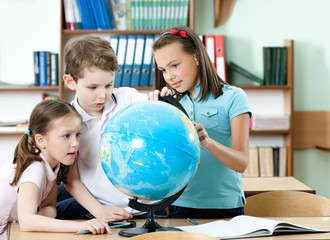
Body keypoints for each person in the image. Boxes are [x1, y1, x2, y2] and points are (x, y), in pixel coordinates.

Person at [149, 25, 252, 218]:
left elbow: (242, 163)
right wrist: (154, 113)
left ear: (196, 56)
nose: (169, 76)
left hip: (225, 206)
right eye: (163, 69)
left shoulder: (233, 97)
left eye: (175, 65)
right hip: (178, 205)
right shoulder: (171, 103)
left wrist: (208, 142)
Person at [57, 35, 164, 221]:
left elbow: (155, 110)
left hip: (143, 207)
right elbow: (71, 180)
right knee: (47, 209)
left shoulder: (127, 98)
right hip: (99, 206)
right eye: (92, 87)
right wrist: (100, 212)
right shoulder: (67, 121)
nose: (102, 95)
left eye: (109, 85)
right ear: (70, 82)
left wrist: (159, 100)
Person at [0, 100, 111, 240]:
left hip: (13, 225)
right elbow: (27, 221)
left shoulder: (54, 163)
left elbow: (49, 205)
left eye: (78, 134)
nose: (75, 143)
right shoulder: (34, 168)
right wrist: (79, 226)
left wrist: (43, 221)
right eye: (66, 136)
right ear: (41, 140)